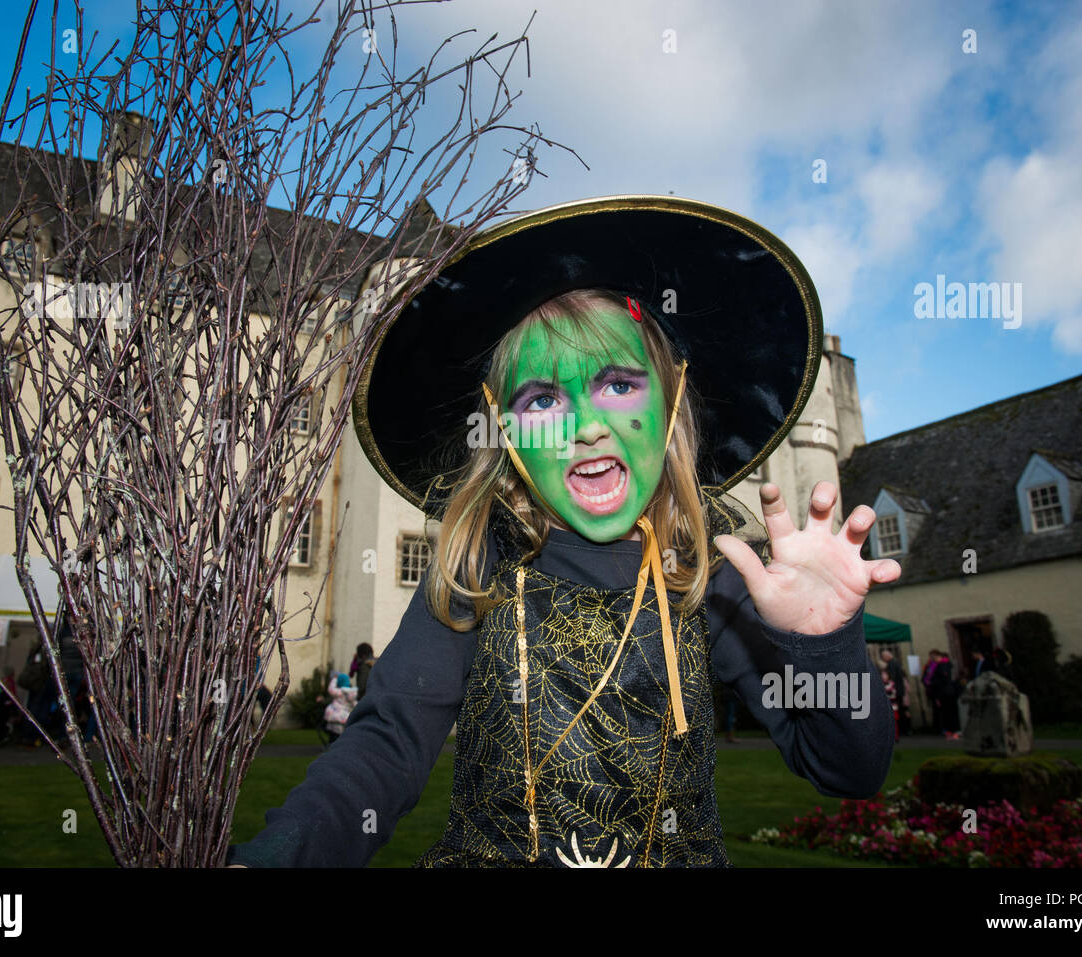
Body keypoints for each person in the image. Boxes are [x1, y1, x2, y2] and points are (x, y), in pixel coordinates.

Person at [226, 196, 899, 868]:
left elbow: (848, 769)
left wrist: (825, 645)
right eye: (542, 399)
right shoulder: (479, 559)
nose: (585, 425)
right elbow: (385, 747)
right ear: (505, 429)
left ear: (669, 396)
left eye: (617, 383)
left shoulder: (706, 565)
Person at [321, 672, 358, 744]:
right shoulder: (351, 694)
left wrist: (334, 679)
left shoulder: (340, 692)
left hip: (335, 717)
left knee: (333, 736)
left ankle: (331, 748)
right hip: (345, 717)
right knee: (342, 737)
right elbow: (355, 704)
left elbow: (330, 689)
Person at [879, 649, 909, 736]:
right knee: (900, 711)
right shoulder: (896, 663)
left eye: (883, 657)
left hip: (895, 692)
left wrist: (889, 687)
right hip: (898, 691)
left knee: (897, 712)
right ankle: (903, 730)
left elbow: (892, 677)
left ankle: (901, 730)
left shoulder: (892, 664)